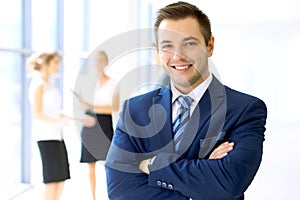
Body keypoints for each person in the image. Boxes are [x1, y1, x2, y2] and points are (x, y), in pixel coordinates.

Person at [105, 1, 267, 200]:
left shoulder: (244, 109)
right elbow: (121, 191)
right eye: (168, 46)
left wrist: (150, 164)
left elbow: (227, 183)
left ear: (210, 45)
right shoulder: (134, 110)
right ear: (157, 51)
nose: (178, 56)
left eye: (189, 43)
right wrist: (203, 171)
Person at [75, 50, 119, 200]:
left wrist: (92, 106)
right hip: (89, 124)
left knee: (109, 162)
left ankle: (110, 194)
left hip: (105, 123)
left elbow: (114, 107)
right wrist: (92, 107)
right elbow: (80, 105)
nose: (97, 63)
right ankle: (93, 197)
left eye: (101, 60)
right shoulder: (85, 82)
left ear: (106, 62)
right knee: (90, 165)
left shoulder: (113, 83)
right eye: (95, 60)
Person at [27, 52, 70, 200]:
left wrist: (64, 117)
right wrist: (58, 121)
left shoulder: (49, 83)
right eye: (56, 62)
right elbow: (37, 113)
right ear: (46, 64)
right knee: (52, 181)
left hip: (57, 135)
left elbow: (52, 110)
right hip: (46, 136)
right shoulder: (38, 84)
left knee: (61, 178)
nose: (58, 66)